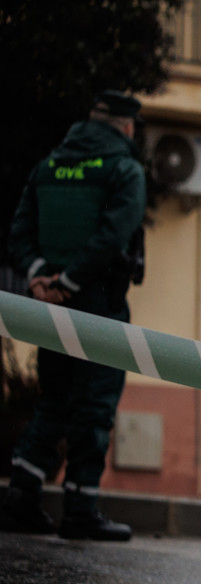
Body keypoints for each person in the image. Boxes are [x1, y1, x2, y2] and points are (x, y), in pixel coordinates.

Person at [0, 90, 147, 541]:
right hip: (97, 301)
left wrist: (43, 278)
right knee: (95, 403)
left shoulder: (48, 167)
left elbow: (19, 233)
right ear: (125, 126)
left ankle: (22, 497)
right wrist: (72, 282)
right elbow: (111, 236)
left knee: (56, 400)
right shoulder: (125, 170)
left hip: (52, 307)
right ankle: (81, 509)